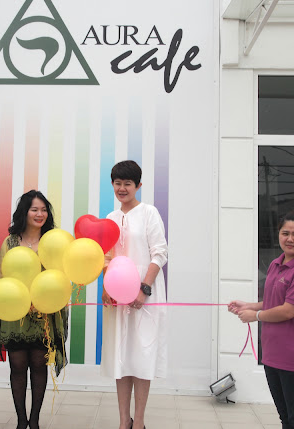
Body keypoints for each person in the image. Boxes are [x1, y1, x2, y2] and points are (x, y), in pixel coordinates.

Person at [228, 212, 294, 429]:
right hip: (274, 356)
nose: (290, 239)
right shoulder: (275, 264)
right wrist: (250, 306)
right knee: (286, 419)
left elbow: (289, 310)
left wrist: (255, 316)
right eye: (285, 233)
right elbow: (275, 302)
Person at [0, 190, 68, 429]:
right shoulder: (11, 242)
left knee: (39, 367)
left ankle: (34, 422)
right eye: (34, 209)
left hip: (44, 315)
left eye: (44, 210)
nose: (40, 214)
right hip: (16, 315)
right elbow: (1, 276)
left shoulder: (53, 241)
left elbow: (61, 277)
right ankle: (21, 421)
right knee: (17, 367)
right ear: (24, 212)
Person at [101, 160, 168, 429]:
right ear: (112, 185)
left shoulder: (149, 213)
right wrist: (106, 287)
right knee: (122, 357)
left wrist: (144, 288)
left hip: (145, 296)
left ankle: (138, 421)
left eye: (127, 183)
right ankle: (123, 421)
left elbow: (160, 253)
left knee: (142, 356)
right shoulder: (110, 218)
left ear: (138, 185)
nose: (122, 188)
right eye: (117, 183)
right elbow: (106, 258)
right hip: (117, 297)